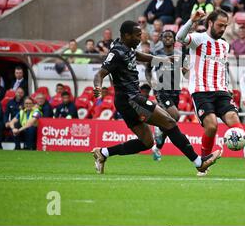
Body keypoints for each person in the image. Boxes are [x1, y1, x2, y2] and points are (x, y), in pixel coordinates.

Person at [91, 19, 221, 176]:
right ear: (127, 35)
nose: (140, 38)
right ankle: (199, 162)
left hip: (126, 101)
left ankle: (103, 153)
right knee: (169, 122)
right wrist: (97, 86)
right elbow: (100, 73)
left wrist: (162, 59)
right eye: (137, 35)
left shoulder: (127, 48)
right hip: (131, 99)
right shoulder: (116, 52)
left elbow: (137, 55)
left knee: (147, 142)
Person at [176, 9, 245, 166]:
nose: (223, 29)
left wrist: (226, 86)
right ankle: (203, 162)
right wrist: (192, 21)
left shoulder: (224, 45)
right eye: (220, 25)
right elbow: (179, 37)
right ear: (210, 23)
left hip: (221, 91)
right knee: (211, 126)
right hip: (201, 91)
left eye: (225, 26)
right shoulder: (198, 39)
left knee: (234, 119)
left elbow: (221, 67)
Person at [147, 30, 182, 162]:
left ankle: (157, 146)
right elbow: (147, 69)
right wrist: (151, 82)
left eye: (170, 37)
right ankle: (158, 128)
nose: (167, 38)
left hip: (175, 91)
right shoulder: (156, 53)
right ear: (161, 39)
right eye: (165, 36)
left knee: (171, 121)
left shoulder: (179, 54)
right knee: (176, 116)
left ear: (174, 40)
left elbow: (185, 71)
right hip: (161, 90)